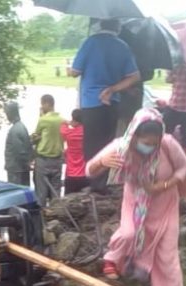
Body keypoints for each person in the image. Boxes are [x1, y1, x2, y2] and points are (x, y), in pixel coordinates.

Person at [86, 108, 186, 286]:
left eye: (154, 143)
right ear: (134, 136)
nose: (150, 148)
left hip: (164, 206)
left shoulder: (168, 144)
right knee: (129, 234)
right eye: (145, 143)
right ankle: (112, 259)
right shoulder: (121, 146)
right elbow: (89, 170)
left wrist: (163, 185)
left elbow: (185, 168)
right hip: (135, 202)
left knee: (168, 259)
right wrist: (102, 162)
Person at [68, 18, 140, 193]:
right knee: (107, 142)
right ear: (117, 27)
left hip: (92, 101)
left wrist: (69, 68)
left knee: (91, 144)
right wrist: (113, 88)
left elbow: (75, 72)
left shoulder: (90, 42)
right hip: (112, 101)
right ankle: (104, 182)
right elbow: (134, 76)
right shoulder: (122, 46)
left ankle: (94, 184)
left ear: (100, 25)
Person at [31, 95, 65, 207]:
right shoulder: (62, 120)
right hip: (58, 160)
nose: (41, 106)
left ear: (47, 104)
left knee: (41, 193)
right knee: (56, 192)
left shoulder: (43, 120)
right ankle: (56, 218)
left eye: (42, 104)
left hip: (43, 160)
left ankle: (41, 220)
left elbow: (36, 136)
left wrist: (41, 116)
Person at [3, 101, 34, 186]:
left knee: (16, 193)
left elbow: (19, 151)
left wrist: (26, 163)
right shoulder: (21, 127)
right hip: (20, 168)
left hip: (16, 170)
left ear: (10, 114)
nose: (6, 116)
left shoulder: (15, 130)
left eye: (7, 113)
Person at [60, 109, 87, 195]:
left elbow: (62, 126)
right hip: (84, 174)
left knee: (68, 202)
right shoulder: (86, 133)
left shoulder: (69, 133)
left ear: (73, 119)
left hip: (71, 174)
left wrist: (68, 123)